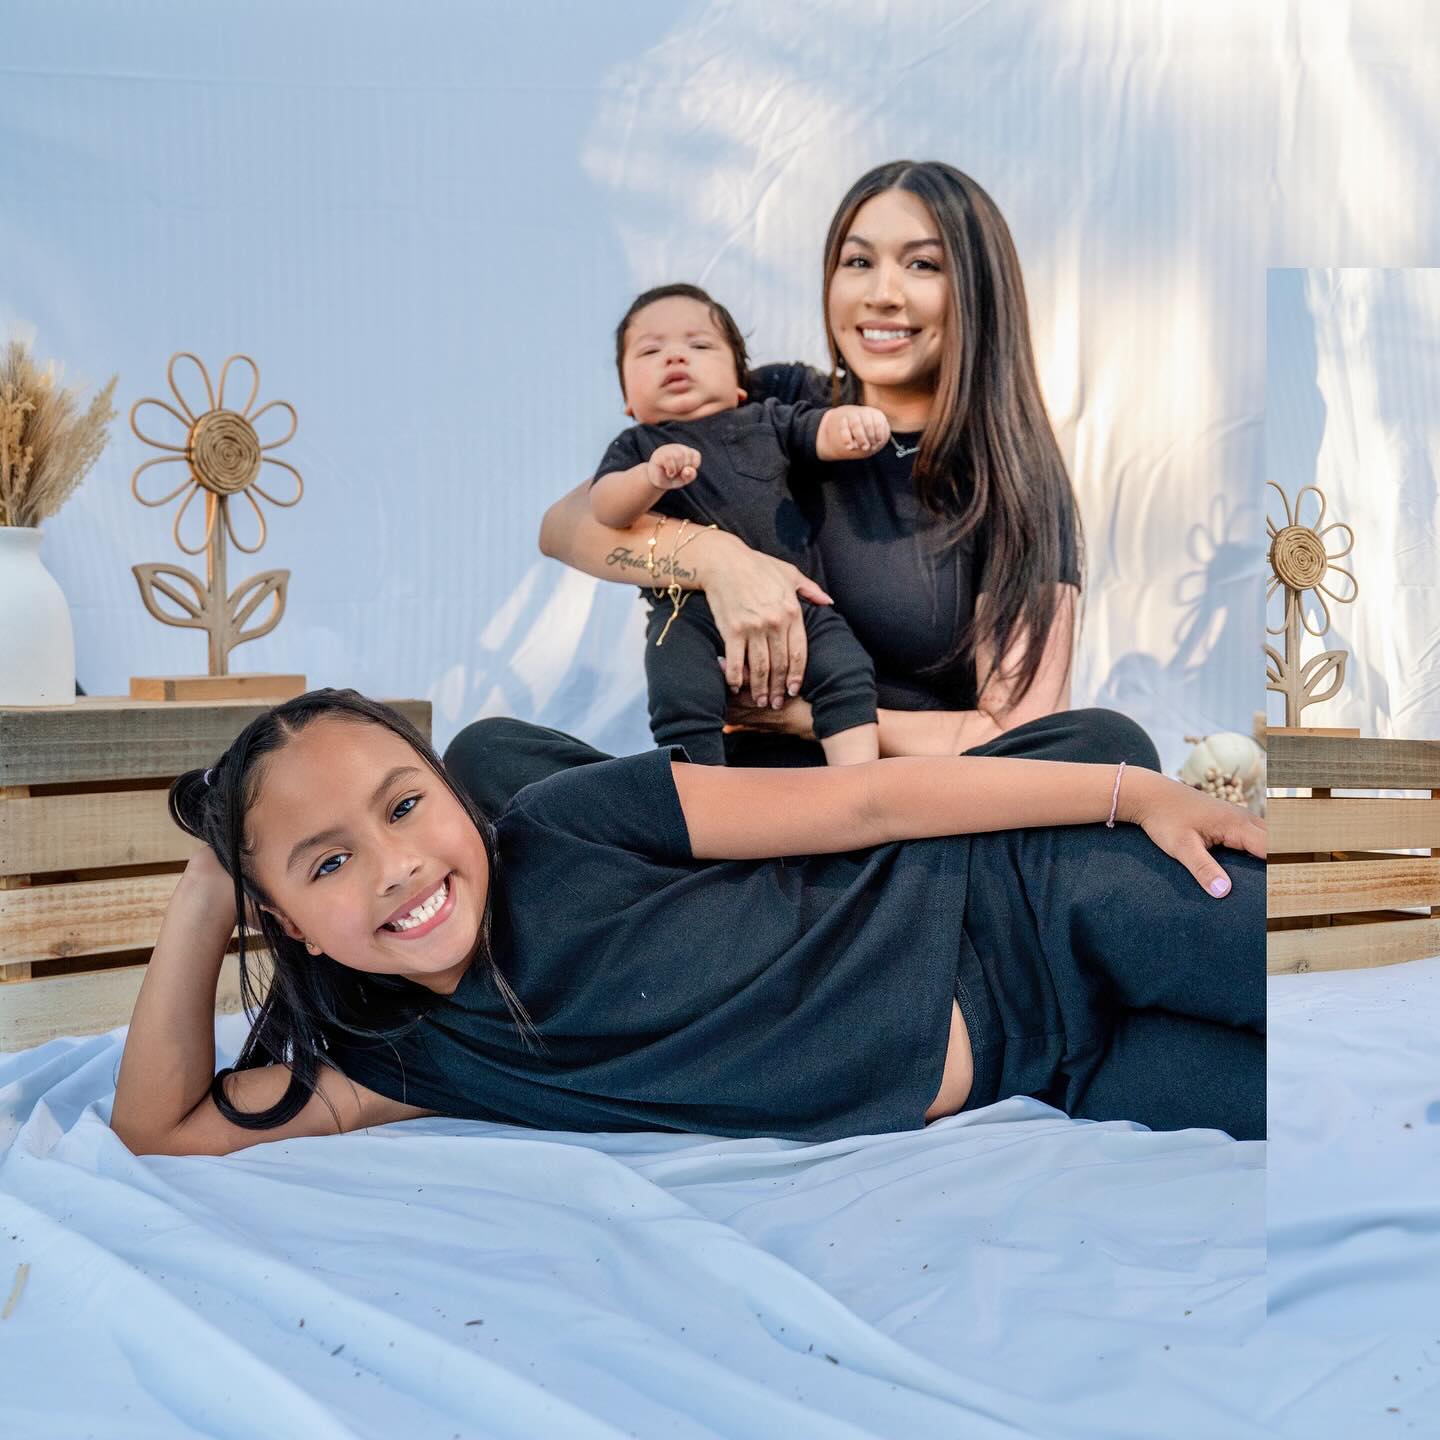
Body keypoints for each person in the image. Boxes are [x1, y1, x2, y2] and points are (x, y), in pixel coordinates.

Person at [109, 689, 1266, 1159]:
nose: (396, 864)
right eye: (329, 863)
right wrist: (214, 877)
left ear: (452, 793)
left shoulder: (570, 825)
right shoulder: (404, 1058)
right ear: (294, 924)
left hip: (1037, 902)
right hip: (1058, 1066)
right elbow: (158, 1127)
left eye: (405, 804)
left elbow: (866, 799)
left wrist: (1134, 792)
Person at [531, 159, 1082, 805]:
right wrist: (720, 561)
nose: (882, 293)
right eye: (857, 262)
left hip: (901, 798)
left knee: (1099, 740)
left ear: (977, 291)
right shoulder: (777, 404)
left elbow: (1022, 733)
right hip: (747, 782)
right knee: (495, 755)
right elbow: (565, 528)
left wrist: (808, 716)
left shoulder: (1014, 482)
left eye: (923, 264)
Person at [593, 282, 893, 766]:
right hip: (684, 610)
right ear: (627, 398)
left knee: (847, 668)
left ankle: (861, 784)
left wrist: (854, 425)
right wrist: (648, 479)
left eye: (699, 345)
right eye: (651, 350)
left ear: (738, 380)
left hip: (794, 598)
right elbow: (606, 510)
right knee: (678, 686)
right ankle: (704, 799)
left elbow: (820, 433)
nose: (674, 358)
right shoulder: (636, 447)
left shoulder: (766, 419)